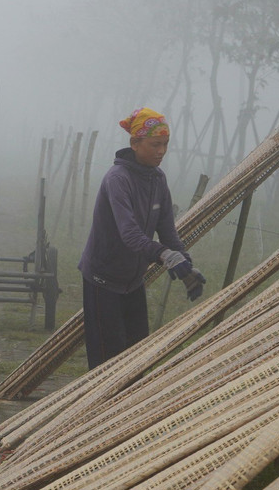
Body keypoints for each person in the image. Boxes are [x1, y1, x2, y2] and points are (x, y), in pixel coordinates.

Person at [78, 106, 206, 368]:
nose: (161, 151)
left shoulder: (157, 179)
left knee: (135, 356)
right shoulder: (118, 179)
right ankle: (102, 409)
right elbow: (130, 234)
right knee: (107, 360)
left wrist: (184, 262)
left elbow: (168, 230)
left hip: (132, 281)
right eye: (155, 144)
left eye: (165, 144)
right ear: (135, 143)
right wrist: (165, 256)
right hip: (103, 278)